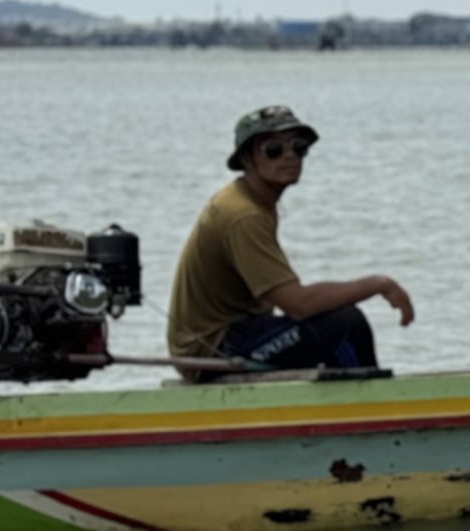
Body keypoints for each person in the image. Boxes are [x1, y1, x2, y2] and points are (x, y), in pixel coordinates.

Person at [166, 105, 415, 375]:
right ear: (248, 159)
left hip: (240, 334)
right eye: (273, 150)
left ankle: (345, 406)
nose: (289, 157)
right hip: (211, 350)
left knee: (327, 327)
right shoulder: (243, 215)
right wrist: (378, 284)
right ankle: (370, 408)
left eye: (298, 148)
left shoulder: (254, 201)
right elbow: (298, 304)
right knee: (345, 323)